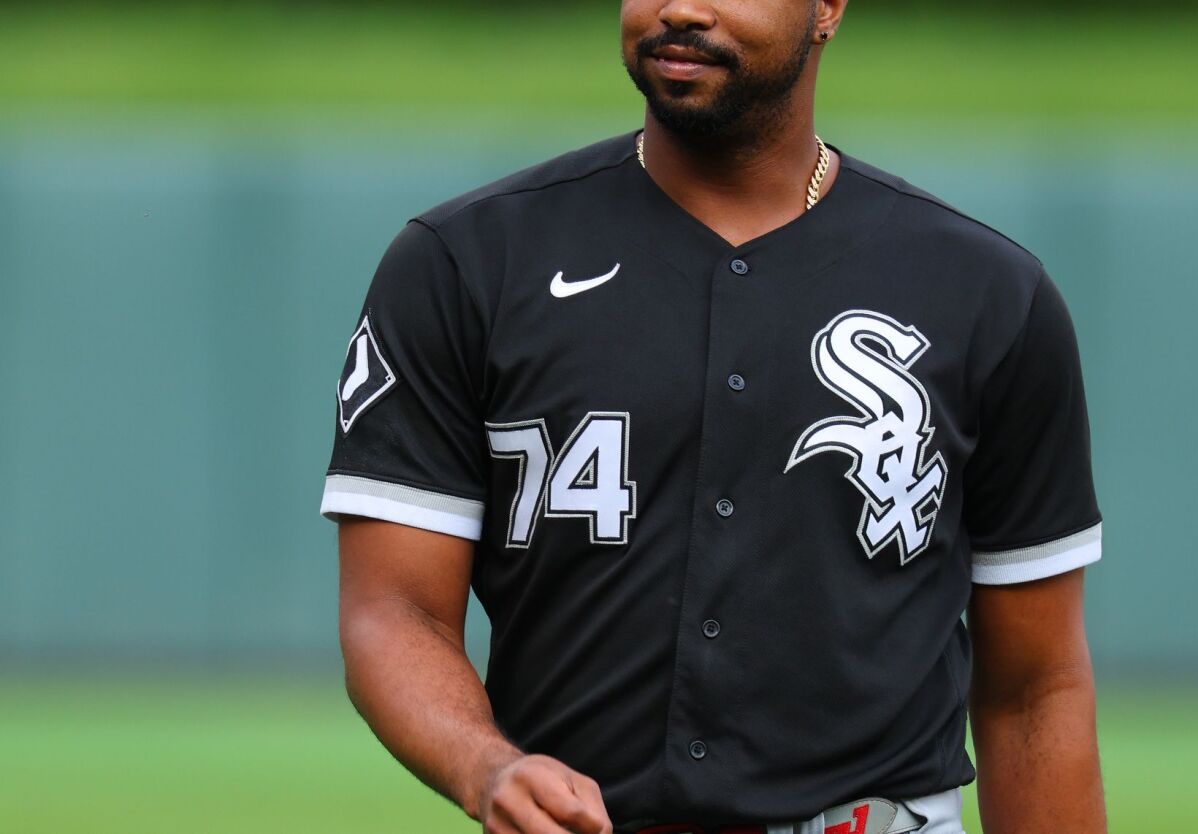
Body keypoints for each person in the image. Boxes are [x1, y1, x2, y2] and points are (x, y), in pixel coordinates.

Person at [320, 2, 1107, 833]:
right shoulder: (466, 262)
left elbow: (1034, 689)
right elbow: (394, 612)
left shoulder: (984, 292)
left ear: (827, 9)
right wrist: (485, 765)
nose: (679, 8)